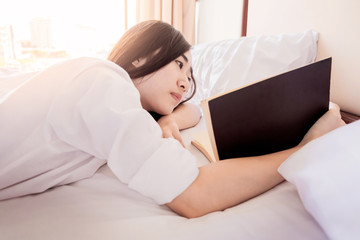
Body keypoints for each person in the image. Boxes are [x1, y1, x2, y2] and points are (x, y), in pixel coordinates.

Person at [0, 20, 345, 219]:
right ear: (142, 56)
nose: (185, 82)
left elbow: (193, 110)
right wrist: (307, 147)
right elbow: (193, 195)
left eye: (191, 73)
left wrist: (169, 121)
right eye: (179, 64)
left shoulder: (117, 105)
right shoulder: (101, 82)